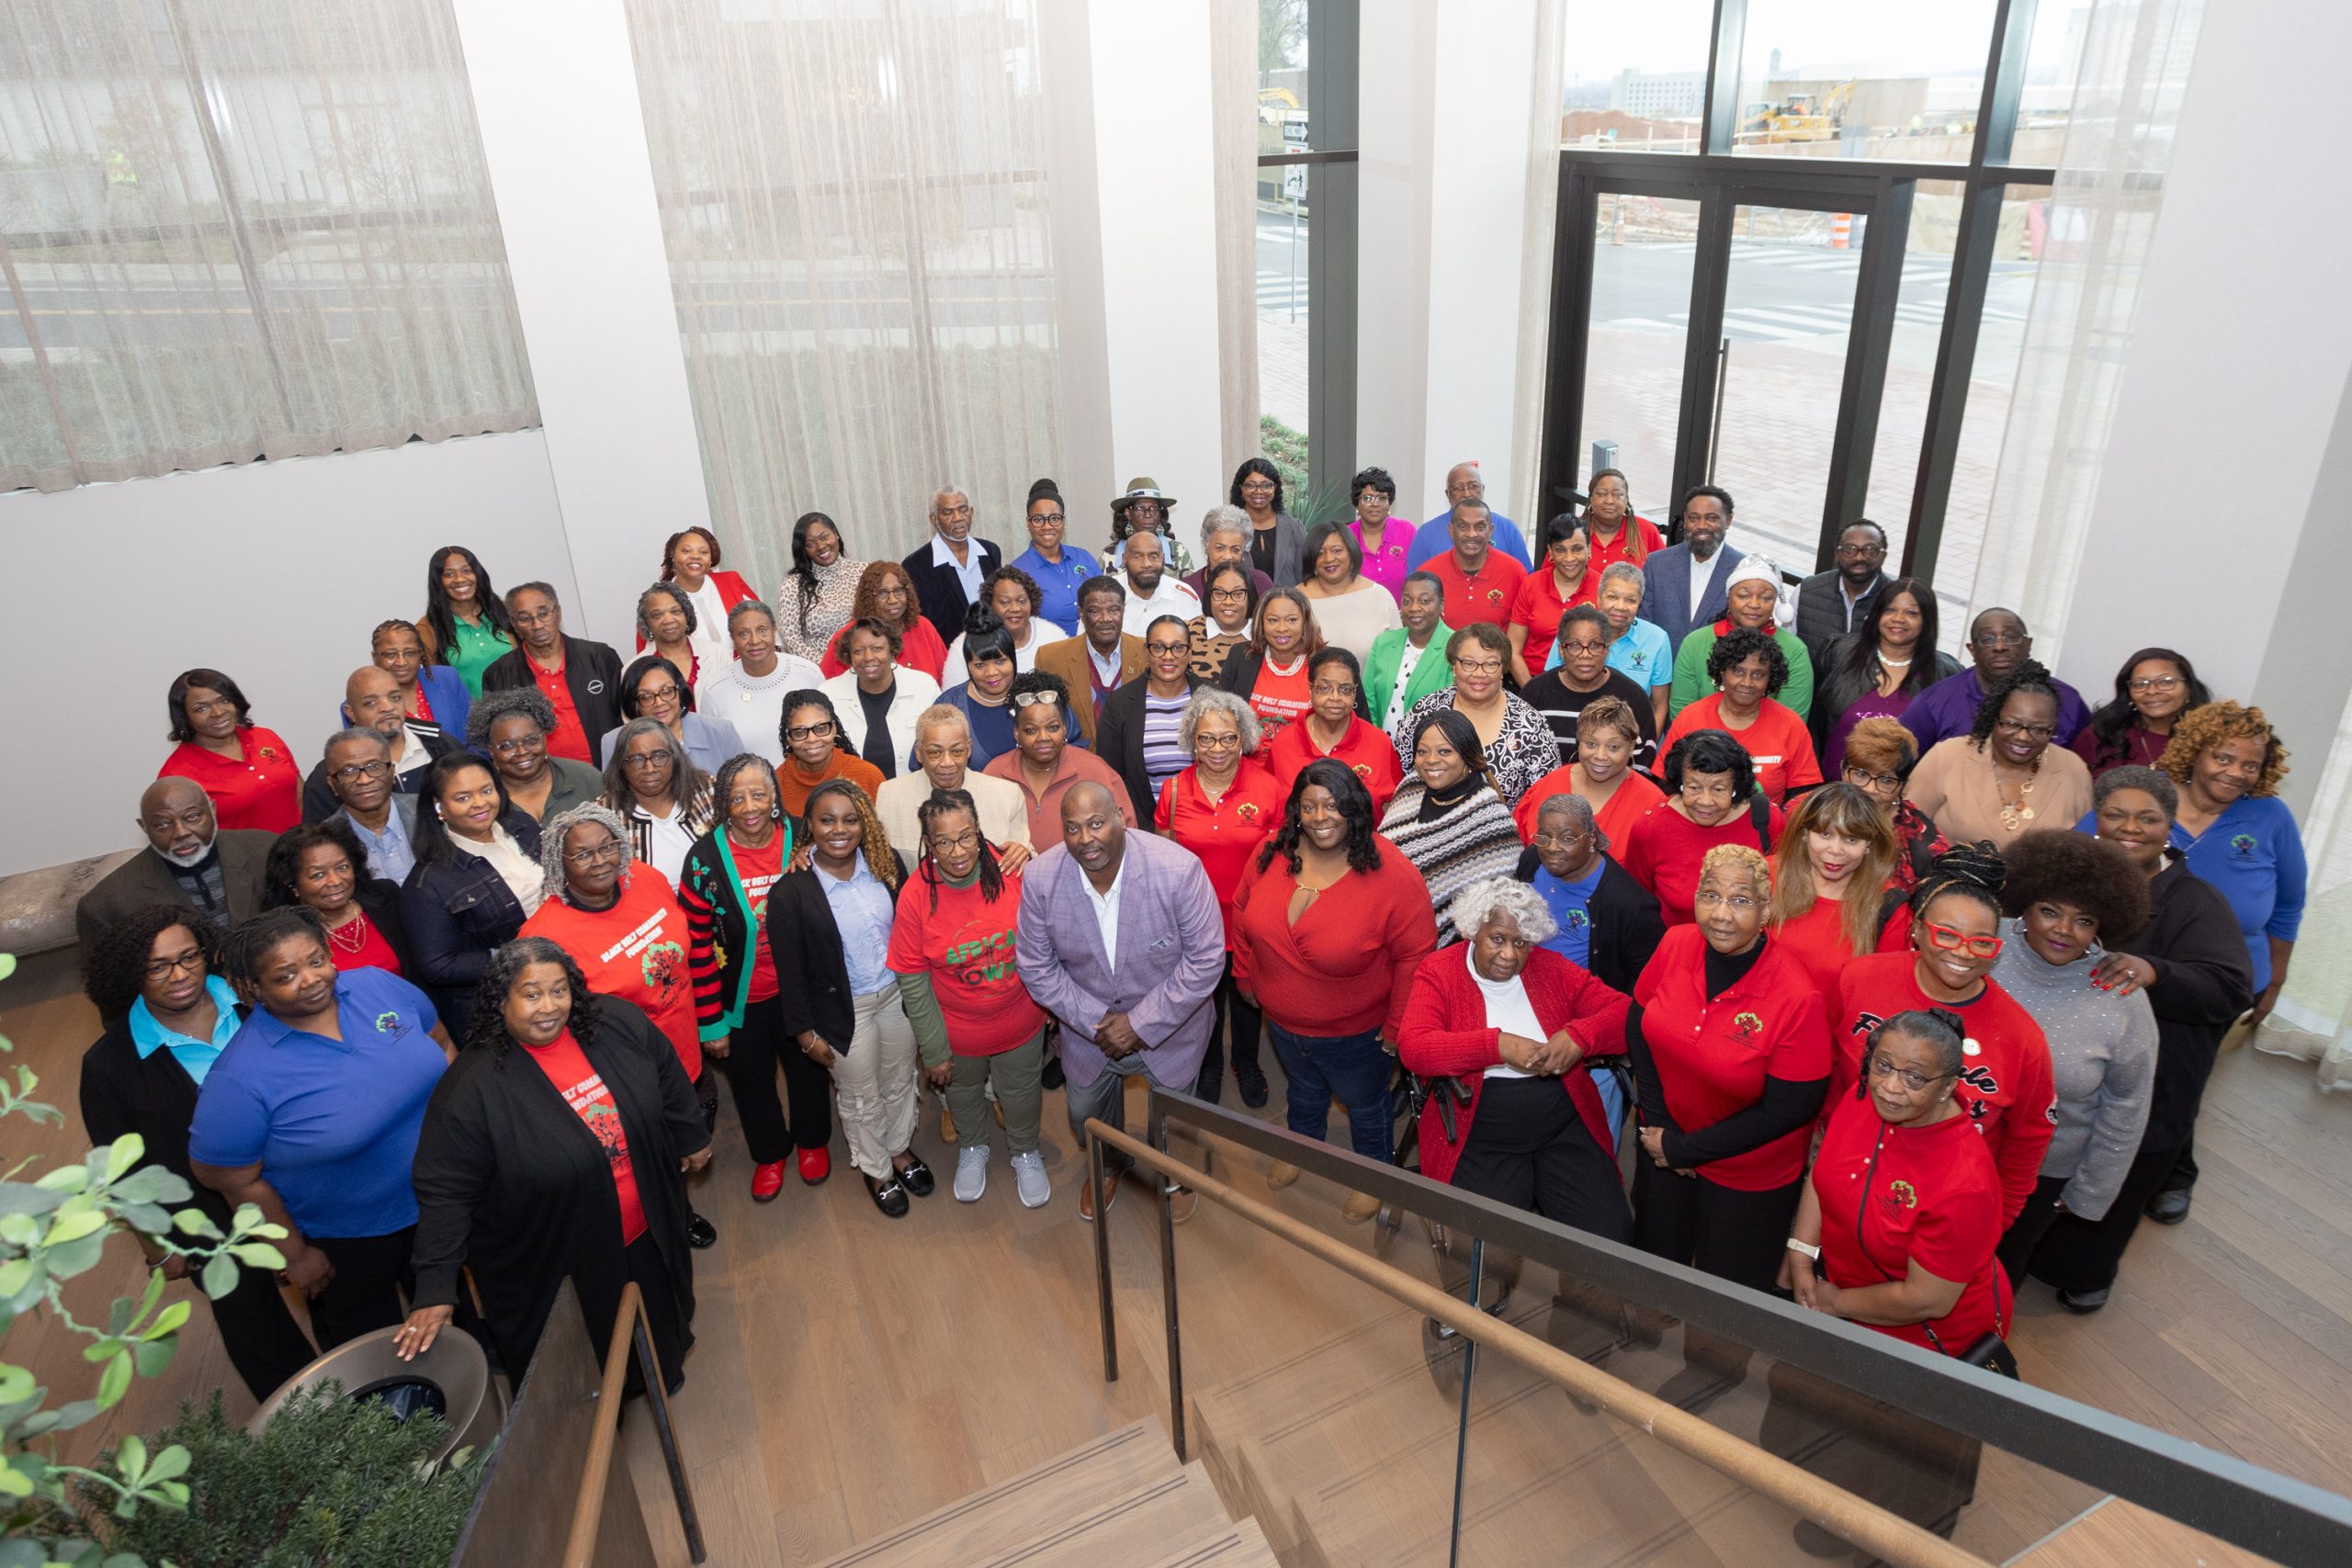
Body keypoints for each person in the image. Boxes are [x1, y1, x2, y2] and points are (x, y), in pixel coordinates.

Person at [401, 938, 707, 1390]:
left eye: (559, 991)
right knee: (590, 1346)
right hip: (561, 1255)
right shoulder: (470, 1088)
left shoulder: (614, 1023)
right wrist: (435, 1286)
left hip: (646, 1223)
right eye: (531, 994)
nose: (549, 1007)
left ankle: (661, 1371)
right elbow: (446, 1191)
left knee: (658, 1304)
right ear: (500, 1001)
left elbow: (667, 1071)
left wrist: (691, 1134)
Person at [1774, 1009, 2010, 1543]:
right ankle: (1838, 1509)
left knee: (1905, 1463)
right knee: (1846, 1425)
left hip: (1927, 1338)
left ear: (1950, 1086)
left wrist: (1835, 1303)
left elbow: (1927, 1300)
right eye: (1883, 1065)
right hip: (1851, 1299)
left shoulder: (1963, 1180)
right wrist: (1800, 1253)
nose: (1891, 1088)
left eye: (1915, 1077)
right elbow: (1822, 1173)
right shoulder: (1864, 1098)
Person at [2025, 768, 2250, 1309]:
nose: (2131, 828)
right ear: (2095, 819)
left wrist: (2157, 973)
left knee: (2113, 1184)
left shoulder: (2197, 901)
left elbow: (2231, 985)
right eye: (2116, 815)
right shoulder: (2072, 879)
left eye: (2148, 818)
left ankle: (2086, 1273)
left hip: (2157, 1074)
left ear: (2170, 825)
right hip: (2066, 1070)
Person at [78, 908, 319, 1399]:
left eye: (188, 957)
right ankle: (311, 1424)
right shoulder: (109, 1064)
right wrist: (158, 1247)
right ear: (132, 976)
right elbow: (119, 1169)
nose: (179, 974)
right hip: (207, 1221)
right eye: (158, 966)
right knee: (256, 1328)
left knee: (331, 1289)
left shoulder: (260, 1000)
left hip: (307, 1184)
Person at [189, 908, 454, 1349]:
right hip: (348, 1240)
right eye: (285, 975)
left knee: (451, 1309)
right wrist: (294, 1253)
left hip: (442, 1201)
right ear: (253, 989)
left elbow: (442, 1045)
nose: (310, 979)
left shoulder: (376, 985)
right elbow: (228, 1177)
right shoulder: (239, 1077)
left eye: (316, 960)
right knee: (372, 1351)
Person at [1628, 846, 1831, 1367]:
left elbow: (1791, 1107)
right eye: (1711, 895)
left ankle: (1714, 1367)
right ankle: (1652, 1325)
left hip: (1749, 1175)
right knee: (1657, 1256)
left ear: (1767, 910)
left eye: (1741, 900)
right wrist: (1660, 1127)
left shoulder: (1796, 996)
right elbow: (1640, 1023)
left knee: (1728, 1292)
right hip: (1663, 1143)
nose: (1722, 913)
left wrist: (1687, 1149)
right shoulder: (1675, 944)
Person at [1232, 762, 1438, 1219]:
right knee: (1303, 1091)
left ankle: (1372, 1173)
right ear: (1296, 811)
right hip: (1282, 1024)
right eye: (1310, 806)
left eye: (1334, 805)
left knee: (1365, 1106)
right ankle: (1302, 1148)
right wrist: (1245, 976)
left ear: (1355, 809)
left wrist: (1397, 1026)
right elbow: (1243, 908)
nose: (1321, 816)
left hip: (1357, 1035)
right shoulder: (1273, 850)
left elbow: (1415, 956)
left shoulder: (1390, 873)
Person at [1017, 782, 1226, 1221]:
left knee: (1172, 1116)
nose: (1085, 839)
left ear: (1122, 820)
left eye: (1096, 823)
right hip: (1087, 1032)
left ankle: (1169, 1169)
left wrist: (1139, 1023)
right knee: (1085, 1114)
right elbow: (1036, 967)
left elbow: (1206, 960)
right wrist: (1099, 1021)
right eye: (1072, 828)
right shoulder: (1040, 879)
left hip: (1172, 1029)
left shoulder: (1178, 869)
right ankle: (1109, 1166)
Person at [520, 805, 718, 1250]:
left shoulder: (644, 879)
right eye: (583, 854)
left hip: (684, 1046)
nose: (600, 860)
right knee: (647, 1154)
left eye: (608, 846)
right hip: (624, 1073)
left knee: (688, 1135)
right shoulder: (543, 937)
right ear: (558, 864)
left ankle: (678, 1207)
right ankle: (664, 1219)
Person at [1831, 844, 2057, 1227]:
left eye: (1982, 942)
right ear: (1917, 929)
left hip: (1941, 1212)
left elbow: (2028, 1141)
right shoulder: (1860, 978)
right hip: (1843, 1177)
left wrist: (1996, 1220)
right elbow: (1831, 1072)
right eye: (1947, 935)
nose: (1964, 953)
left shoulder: (2023, 1039)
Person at [1398, 878, 1634, 1241]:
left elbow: (1624, 1013)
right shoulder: (1440, 972)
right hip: (1478, 1131)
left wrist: (1579, 1037)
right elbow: (1415, 1047)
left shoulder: (1549, 968)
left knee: (1607, 1238)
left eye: (1521, 942)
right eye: (1498, 939)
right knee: (1486, 1247)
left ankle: (1581, 1296)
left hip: (1562, 1127)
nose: (1509, 954)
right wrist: (1499, 1047)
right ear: (1475, 931)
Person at [1989, 830, 2156, 1285]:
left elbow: (2127, 1108)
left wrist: (2090, 1191)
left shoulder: (2121, 998)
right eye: (2049, 911)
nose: (2063, 930)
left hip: (2043, 1173)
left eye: (2083, 920)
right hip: (1947, 1147)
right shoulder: (1983, 947)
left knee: (1997, 1277)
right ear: (2023, 902)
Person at [770, 781, 930, 1216]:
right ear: (810, 827)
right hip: (843, 1010)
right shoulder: (791, 892)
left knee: (899, 1081)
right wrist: (804, 1034)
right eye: (827, 820)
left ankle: (899, 1151)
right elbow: (791, 974)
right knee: (861, 1096)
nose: (839, 829)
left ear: (865, 824)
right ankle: (877, 1169)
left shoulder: (887, 864)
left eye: (850, 819)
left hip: (895, 997)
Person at [679, 753, 830, 1200]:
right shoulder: (704, 858)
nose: (749, 807)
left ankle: (812, 1141)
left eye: (758, 795)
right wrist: (710, 1021)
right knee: (751, 1084)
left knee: (808, 1073)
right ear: (723, 802)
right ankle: (769, 1153)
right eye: (737, 797)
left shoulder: (806, 834)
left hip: (800, 992)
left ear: (775, 797)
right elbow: (697, 946)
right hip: (739, 1002)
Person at [890, 787, 1048, 1210]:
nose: (957, 851)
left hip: (1020, 1020)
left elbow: (1046, 939)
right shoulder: (916, 894)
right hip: (956, 1031)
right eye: (943, 841)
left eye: (965, 837)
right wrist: (933, 1048)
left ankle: (1025, 1152)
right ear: (928, 842)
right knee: (962, 1094)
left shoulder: (1012, 870)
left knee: (1021, 1093)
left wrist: (1051, 1001)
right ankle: (973, 1147)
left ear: (979, 831)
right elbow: (912, 977)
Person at [1155, 691, 1284, 1107]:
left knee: (1248, 1000)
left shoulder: (1268, 789)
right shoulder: (1173, 791)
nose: (1217, 749)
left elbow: (1282, 861)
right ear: (1192, 740)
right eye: (1206, 739)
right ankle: (1208, 1064)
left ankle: (1246, 1063)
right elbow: (1163, 860)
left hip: (1249, 921)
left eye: (1228, 738)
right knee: (1201, 1001)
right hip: (1193, 923)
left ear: (1244, 738)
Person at [2156, 698, 2305, 1037]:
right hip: (2136, 974)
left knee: (2181, 1084)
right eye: (2223, 758)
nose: (2237, 773)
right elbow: (2080, 865)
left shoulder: (2272, 816)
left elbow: (2289, 905)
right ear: (2195, 753)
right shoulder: (2146, 798)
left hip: (2231, 983)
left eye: (2250, 766)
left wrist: (2276, 979)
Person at [401, 752, 547, 1036]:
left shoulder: (522, 826)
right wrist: (520, 956)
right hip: (499, 1007)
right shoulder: (427, 883)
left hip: (558, 974)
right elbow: (438, 965)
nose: (480, 803)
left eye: (486, 790)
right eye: (463, 797)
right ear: (438, 805)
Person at [76, 780, 273, 965]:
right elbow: (110, 989)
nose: (181, 832)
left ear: (212, 811)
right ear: (144, 827)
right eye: (163, 824)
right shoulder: (108, 905)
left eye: (192, 817)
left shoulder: (266, 850)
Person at [1905, 662, 2095, 850]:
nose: (2023, 737)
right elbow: (1904, 832)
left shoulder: (2073, 769)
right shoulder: (1947, 756)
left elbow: (2084, 849)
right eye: (2012, 724)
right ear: (1994, 718)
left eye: (2038, 729)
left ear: (2052, 727)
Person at [1378, 709, 1526, 946]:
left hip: (1444, 950)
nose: (1431, 760)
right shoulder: (1410, 787)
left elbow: (1493, 907)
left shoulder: (1491, 819)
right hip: (1381, 928)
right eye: (1422, 752)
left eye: (1445, 751)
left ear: (1467, 756)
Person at [1619, 729, 1785, 926]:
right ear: (1680, 783)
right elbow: (1637, 902)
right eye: (1694, 787)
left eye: (1718, 789)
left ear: (1736, 787)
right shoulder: (1650, 828)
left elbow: (1781, 896)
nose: (1705, 801)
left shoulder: (1767, 821)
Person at [1511, 793, 1665, 997]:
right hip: (1518, 985)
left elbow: (1650, 978)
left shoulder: (1630, 905)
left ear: (1591, 837)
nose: (1552, 847)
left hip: (1577, 1006)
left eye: (1567, 838)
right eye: (1544, 837)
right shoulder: (1532, 859)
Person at [1765, 783, 1903, 1009]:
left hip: (1832, 1039)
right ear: (1804, 834)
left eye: (1851, 839)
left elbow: (1884, 997)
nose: (1836, 850)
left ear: (1869, 844)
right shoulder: (1764, 877)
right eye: (1825, 834)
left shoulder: (1888, 907)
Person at [1394, 624, 1557, 807]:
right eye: (1469, 663)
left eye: (1490, 664)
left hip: (1503, 831)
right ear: (1454, 666)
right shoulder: (1424, 712)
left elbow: (1546, 798)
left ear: (1503, 669)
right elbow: (1399, 773)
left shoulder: (1530, 723)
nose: (1479, 674)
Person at [1659, 627, 1823, 806]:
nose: (1747, 683)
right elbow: (1666, 787)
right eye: (1738, 672)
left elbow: (1802, 798)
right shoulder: (1691, 717)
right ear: (1722, 672)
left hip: (1766, 828)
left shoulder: (1791, 725)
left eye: (1758, 674)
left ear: (1771, 678)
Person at [1812, 577, 1956, 776]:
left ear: (1926, 621)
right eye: (1890, 609)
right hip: (1830, 791)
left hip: (1896, 799)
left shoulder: (1944, 675)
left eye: (1912, 613)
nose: (1898, 618)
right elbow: (1814, 724)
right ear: (1877, 613)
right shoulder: (1838, 652)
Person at [1902, 608, 2091, 750]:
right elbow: (1901, 762)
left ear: (2029, 644)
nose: (2000, 646)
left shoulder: (2068, 701)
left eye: (2011, 637)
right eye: (1987, 639)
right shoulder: (1936, 701)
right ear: (1972, 650)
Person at [983, 671, 1136, 848]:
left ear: (1064, 728)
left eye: (1053, 727)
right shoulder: (994, 775)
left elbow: (1128, 834)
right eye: (1031, 730)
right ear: (1016, 732)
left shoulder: (1096, 771)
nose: (1043, 737)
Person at [481, 582, 625, 763]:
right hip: (542, 780)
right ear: (515, 625)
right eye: (525, 618)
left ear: (558, 613)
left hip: (608, 771)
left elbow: (626, 720)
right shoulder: (498, 675)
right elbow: (500, 739)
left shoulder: (600, 657)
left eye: (543, 614)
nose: (537, 625)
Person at [876, 707, 1033, 872]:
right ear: (919, 754)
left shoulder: (1006, 795)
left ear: (969, 749)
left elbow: (1025, 858)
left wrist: (1024, 853)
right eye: (935, 753)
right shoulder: (889, 796)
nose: (947, 762)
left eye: (957, 751)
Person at [299, 665, 458, 822]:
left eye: (395, 697)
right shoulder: (332, 773)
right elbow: (321, 840)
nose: (387, 707)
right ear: (350, 712)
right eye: (371, 703)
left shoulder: (442, 746)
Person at [1667, 556, 1815, 723]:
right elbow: (1682, 714)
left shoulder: (1794, 651)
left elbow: (1791, 722)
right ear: (1729, 597)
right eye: (1744, 595)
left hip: (1768, 747)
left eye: (1766, 598)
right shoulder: (1695, 643)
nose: (1754, 604)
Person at [1512, 695, 1666, 851]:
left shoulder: (1652, 805)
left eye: (1613, 747)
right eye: (1591, 744)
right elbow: (1515, 845)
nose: (1600, 756)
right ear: (1579, 741)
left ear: (1631, 746)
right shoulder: (1547, 787)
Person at [264, 820, 414, 976]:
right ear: (291, 882)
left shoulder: (386, 897)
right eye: (318, 875)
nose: (335, 881)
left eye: (342, 868)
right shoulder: (285, 937)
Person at [1520, 604, 1660, 772]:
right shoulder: (1534, 694)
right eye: (1575, 645)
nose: (1585, 654)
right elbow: (1520, 760)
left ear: (1607, 650)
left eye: (1594, 645)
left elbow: (1641, 767)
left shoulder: (1633, 698)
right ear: (1561, 650)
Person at [157, 668, 300, 832]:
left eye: (224, 701)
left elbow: (299, 794)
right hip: (242, 857)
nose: (218, 713)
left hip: (296, 850)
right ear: (184, 716)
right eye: (201, 708)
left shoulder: (266, 737)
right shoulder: (176, 776)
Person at [1264, 648, 1403, 816]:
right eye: (1325, 688)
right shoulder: (1283, 744)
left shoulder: (1379, 743)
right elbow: (1272, 808)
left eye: (1345, 689)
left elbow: (1394, 806)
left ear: (1355, 692)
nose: (1335, 698)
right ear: (1311, 690)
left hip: (1364, 840)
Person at [1098, 615, 1204, 821]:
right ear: (1146, 652)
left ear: (1190, 652)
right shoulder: (1119, 704)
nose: (1168, 656)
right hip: (1144, 823)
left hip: (1205, 824)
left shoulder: (1213, 699)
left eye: (1178, 647)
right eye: (1158, 647)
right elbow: (1111, 776)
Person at [698, 600, 828, 766]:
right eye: (743, 633)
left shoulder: (808, 673)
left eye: (762, 630)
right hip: (750, 789)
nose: (754, 640)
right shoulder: (715, 691)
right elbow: (713, 757)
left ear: (774, 632)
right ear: (732, 639)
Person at [602, 716, 716, 886]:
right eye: (636, 760)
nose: (649, 769)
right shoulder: (605, 816)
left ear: (674, 757)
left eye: (659, 756)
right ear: (622, 765)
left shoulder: (706, 790)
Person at [825, 617, 944, 780]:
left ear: (892, 651)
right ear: (849, 656)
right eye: (858, 651)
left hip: (915, 796)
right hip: (852, 799)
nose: (868, 657)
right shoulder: (829, 694)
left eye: (877, 648)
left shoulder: (924, 687)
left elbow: (942, 746)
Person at [469, 687, 606, 826]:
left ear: (545, 739)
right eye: (507, 746)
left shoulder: (585, 777)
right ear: (491, 751)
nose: (522, 752)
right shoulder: (482, 799)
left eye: (531, 740)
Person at [1842, 716, 1951, 891]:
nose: (1870, 789)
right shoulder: (1806, 812)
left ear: (1902, 786)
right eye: (1861, 775)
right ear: (1843, 771)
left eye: (1886, 780)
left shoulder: (1926, 845)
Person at [1551, 564, 1671, 719]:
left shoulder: (1657, 639)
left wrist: (1647, 743)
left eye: (1630, 600)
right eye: (1612, 597)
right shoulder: (1573, 630)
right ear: (1599, 597)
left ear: (1639, 603)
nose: (1621, 607)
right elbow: (1551, 686)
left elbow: (1658, 707)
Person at [1034, 577, 1144, 744]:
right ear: (1081, 613)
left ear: (1123, 610)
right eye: (1095, 611)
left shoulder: (1146, 652)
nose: (1106, 618)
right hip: (1081, 763)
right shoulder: (1051, 658)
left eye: (1114, 610)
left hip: (1135, 764)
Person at [601, 654, 746, 779]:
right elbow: (615, 800)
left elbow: (745, 787)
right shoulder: (614, 742)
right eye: (646, 696)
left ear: (680, 692)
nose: (659, 702)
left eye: (666, 691)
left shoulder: (720, 731)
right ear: (635, 703)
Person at [1638, 486, 1745, 652]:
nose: (1702, 525)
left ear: (1728, 521)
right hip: (1663, 671)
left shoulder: (1743, 570)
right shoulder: (1657, 564)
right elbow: (1644, 624)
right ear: (1685, 520)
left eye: (1712, 518)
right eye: (1694, 518)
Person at [2072, 648, 2210, 776]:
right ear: (2128, 693)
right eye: (2140, 684)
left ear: (2188, 689)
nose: (2152, 691)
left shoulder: (2208, 739)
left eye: (2166, 682)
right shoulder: (2100, 736)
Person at [1215, 586, 1324, 744]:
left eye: (1292, 620)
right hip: (1248, 763)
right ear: (1261, 623)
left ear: (1305, 623)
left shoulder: (1325, 662)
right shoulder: (1241, 656)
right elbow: (1220, 716)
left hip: (1305, 765)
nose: (1281, 628)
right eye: (1273, 620)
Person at [902, 484, 1004, 645]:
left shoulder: (990, 551)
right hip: (949, 655)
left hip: (994, 647)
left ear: (971, 512)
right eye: (948, 512)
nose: (958, 518)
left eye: (963, 510)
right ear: (934, 520)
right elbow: (922, 623)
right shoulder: (916, 566)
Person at [318, 728, 418, 886]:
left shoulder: (430, 811)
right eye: (348, 771)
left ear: (392, 772)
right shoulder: (325, 841)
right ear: (333, 785)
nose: (364, 780)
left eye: (374, 766)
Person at [820, 560, 950, 681]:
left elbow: (946, 680)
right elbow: (824, 687)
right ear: (868, 598)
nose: (893, 600)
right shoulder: (848, 636)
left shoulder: (923, 627)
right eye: (882, 593)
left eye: (898, 591)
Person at [942, 566, 1067, 687]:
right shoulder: (966, 644)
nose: (1015, 608)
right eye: (1005, 602)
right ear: (989, 604)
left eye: (1022, 601)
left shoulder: (1053, 636)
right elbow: (953, 701)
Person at [417, 545, 516, 696]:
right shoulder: (428, 627)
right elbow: (431, 683)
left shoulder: (503, 609)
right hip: (470, 718)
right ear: (438, 581)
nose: (460, 579)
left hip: (521, 713)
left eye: (466, 571)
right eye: (449, 574)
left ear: (477, 574)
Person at [658, 524, 757, 676]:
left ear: (711, 560)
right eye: (686, 551)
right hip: (695, 682)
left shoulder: (731, 581)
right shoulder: (659, 599)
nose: (695, 556)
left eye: (703, 552)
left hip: (745, 672)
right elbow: (651, 660)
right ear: (673, 556)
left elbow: (763, 624)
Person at [1507, 513, 1596, 682]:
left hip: (1587, 686)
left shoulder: (1603, 588)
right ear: (1550, 551)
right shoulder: (1531, 585)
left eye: (1577, 549)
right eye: (1561, 550)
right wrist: (1532, 694)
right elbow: (1513, 650)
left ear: (1589, 549)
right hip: (1531, 682)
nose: (1569, 558)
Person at [1364, 571, 1457, 734]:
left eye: (1425, 601)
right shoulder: (1383, 643)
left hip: (1431, 752)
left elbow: (1454, 711)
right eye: (1407, 601)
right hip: (1383, 748)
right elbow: (1368, 701)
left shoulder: (1456, 646)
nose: (1414, 608)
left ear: (1441, 605)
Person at [1297, 519, 1402, 662]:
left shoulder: (1380, 596)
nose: (1328, 558)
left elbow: (1397, 658)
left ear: (1351, 552)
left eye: (1337, 550)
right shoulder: (1296, 600)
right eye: (1319, 553)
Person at [773, 691, 887, 821]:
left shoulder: (868, 776)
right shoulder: (776, 785)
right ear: (789, 738)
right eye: (800, 732)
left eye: (821, 729)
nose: (812, 739)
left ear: (833, 729)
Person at [775, 511, 867, 667]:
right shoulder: (792, 585)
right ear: (803, 550)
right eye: (810, 544)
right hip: (820, 671)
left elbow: (879, 623)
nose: (821, 547)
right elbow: (792, 639)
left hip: (866, 664)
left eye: (824, 537)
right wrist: (828, 666)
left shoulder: (864, 572)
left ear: (836, 534)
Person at [1420, 499, 1526, 632]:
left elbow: (1522, 631)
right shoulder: (1428, 573)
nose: (1471, 534)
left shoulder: (1514, 572)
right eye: (1463, 527)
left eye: (1480, 527)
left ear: (1490, 531)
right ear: (1451, 530)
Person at [368, 617, 472, 750]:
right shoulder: (362, 703)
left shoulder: (447, 679)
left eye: (410, 653)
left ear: (421, 654)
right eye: (390, 654)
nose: (402, 662)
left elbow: (475, 737)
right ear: (374, 657)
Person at [1792, 520, 1892, 659]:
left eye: (1870, 550)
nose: (1859, 557)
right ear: (1837, 554)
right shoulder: (1805, 592)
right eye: (1849, 549)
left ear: (1883, 556)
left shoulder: (1896, 600)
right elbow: (1789, 655)